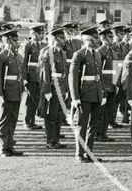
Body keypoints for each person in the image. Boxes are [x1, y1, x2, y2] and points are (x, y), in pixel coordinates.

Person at [69, 25, 106, 163]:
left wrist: (102, 93)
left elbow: (99, 75)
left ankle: (89, 152)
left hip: (96, 94)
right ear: (89, 39)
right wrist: (75, 97)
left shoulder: (96, 54)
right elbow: (72, 77)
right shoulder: (79, 54)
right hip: (84, 94)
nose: (98, 40)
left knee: (93, 125)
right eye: (95, 37)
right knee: (82, 125)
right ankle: (79, 153)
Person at [0, 29, 25, 157]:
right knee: (3, 121)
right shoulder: (0, 56)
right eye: (14, 40)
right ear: (8, 41)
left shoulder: (16, 56)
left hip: (16, 92)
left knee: (13, 120)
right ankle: (3, 147)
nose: (17, 43)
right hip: (6, 93)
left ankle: (10, 146)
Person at [39, 27, 68, 149]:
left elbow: (65, 73)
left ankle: (56, 140)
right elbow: (45, 73)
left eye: (63, 37)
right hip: (52, 87)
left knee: (58, 115)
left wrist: (65, 89)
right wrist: (47, 90)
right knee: (51, 115)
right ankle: (50, 141)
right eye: (61, 38)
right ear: (54, 38)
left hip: (60, 87)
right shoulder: (48, 53)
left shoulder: (62, 53)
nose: (64, 40)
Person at [96, 27, 116, 143]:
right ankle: (99, 133)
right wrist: (102, 86)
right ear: (103, 38)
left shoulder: (112, 51)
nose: (112, 39)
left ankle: (104, 132)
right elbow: (99, 71)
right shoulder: (100, 51)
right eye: (110, 37)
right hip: (104, 84)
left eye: (112, 37)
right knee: (101, 111)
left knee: (109, 110)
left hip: (112, 84)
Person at [22, 24, 44, 130]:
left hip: (39, 77)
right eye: (40, 33)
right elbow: (24, 63)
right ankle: (27, 121)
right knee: (30, 100)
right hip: (31, 77)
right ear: (33, 34)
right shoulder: (28, 45)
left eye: (43, 33)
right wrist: (24, 78)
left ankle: (32, 121)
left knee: (36, 99)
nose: (42, 35)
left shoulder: (42, 45)